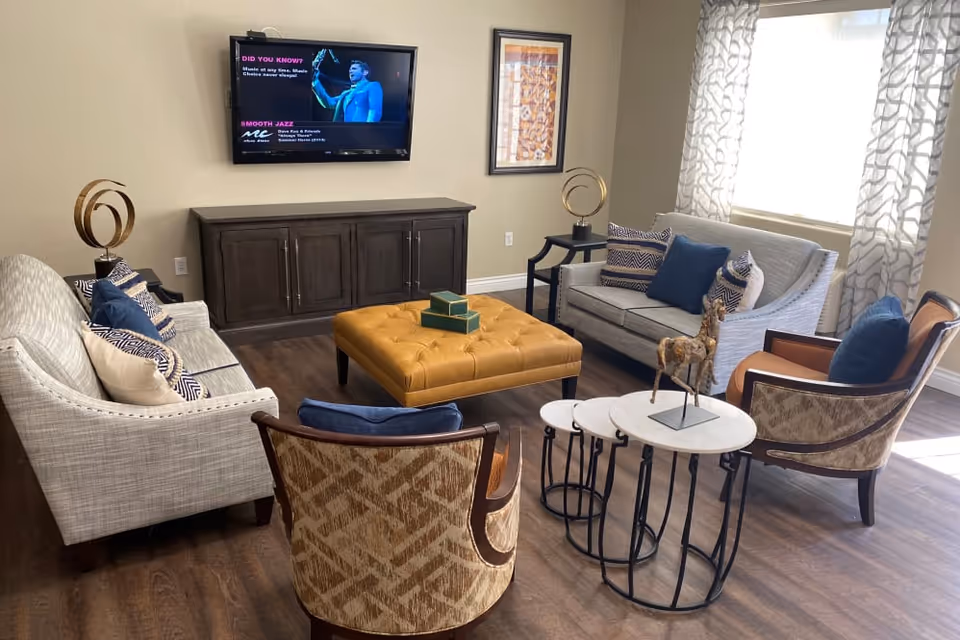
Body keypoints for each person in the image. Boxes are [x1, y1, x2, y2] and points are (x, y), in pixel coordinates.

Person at [311, 53, 383, 123]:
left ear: (365, 72)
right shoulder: (346, 93)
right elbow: (329, 103)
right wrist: (315, 81)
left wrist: (367, 131)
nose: (350, 71)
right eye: (350, 70)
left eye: (354, 69)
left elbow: (374, 111)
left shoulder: (373, 85)